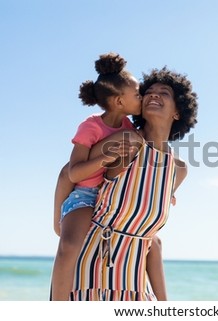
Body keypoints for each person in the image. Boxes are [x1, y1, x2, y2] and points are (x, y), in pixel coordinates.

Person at [70, 66, 198, 301]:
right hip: (91, 275)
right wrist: (59, 223)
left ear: (178, 112)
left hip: (135, 284)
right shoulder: (125, 141)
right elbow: (69, 174)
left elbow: (151, 237)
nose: (154, 95)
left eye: (164, 92)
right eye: (148, 91)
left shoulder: (177, 170)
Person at [50, 52, 143, 300]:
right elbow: (74, 171)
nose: (141, 97)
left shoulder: (128, 128)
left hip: (109, 197)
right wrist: (102, 159)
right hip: (83, 196)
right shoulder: (91, 126)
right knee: (69, 247)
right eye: (137, 94)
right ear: (119, 102)